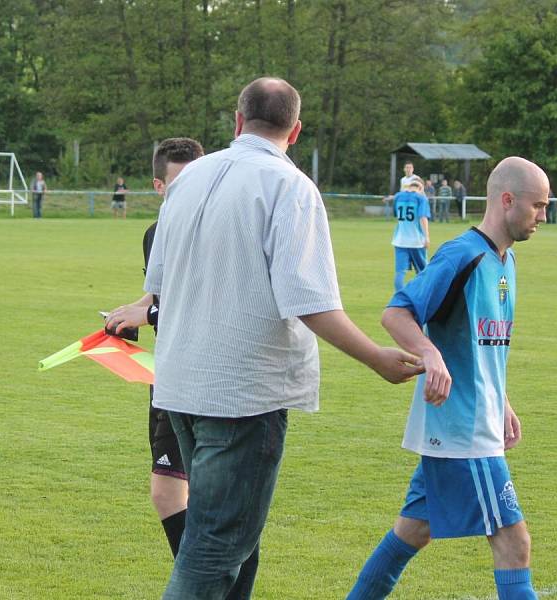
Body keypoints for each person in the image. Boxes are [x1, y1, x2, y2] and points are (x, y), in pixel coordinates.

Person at [144, 77, 422, 600]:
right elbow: (311, 301)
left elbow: (155, 284)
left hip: (178, 385)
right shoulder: (289, 186)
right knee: (214, 547)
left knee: (234, 541)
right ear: (295, 132)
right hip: (243, 396)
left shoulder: (186, 180)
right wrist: (377, 358)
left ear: (237, 121)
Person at [347, 156, 549, 600]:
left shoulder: (506, 262)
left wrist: (503, 401)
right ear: (508, 200)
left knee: (412, 532)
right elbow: (396, 313)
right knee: (514, 544)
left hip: (473, 422)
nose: (543, 216)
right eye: (537, 206)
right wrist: (429, 353)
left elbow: (481, 348)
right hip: (461, 429)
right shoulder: (463, 255)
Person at [105, 138, 204, 562]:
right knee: (168, 491)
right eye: (178, 184)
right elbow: (158, 298)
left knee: (202, 494)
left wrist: (149, 314)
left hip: (210, 375)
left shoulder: (214, 229)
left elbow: (201, 305)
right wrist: (128, 314)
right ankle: (202, 584)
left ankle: (201, 585)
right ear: (159, 186)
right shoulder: (155, 234)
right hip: (167, 375)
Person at [391, 179, 431, 291]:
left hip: (400, 240)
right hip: (417, 241)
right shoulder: (421, 198)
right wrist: (427, 237)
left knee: (400, 272)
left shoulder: (398, 196)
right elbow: (423, 217)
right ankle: (422, 296)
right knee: (424, 272)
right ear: (420, 188)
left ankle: (399, 300)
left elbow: (396, 214)